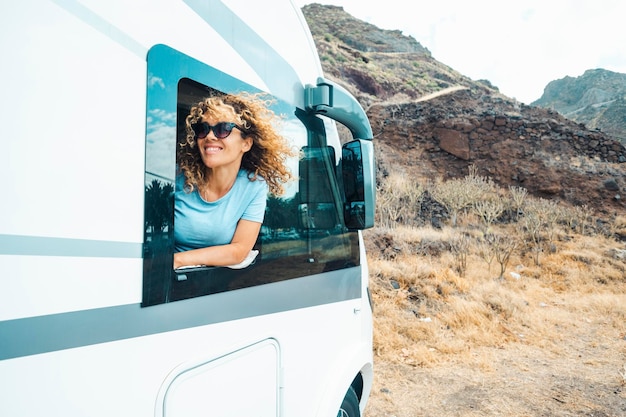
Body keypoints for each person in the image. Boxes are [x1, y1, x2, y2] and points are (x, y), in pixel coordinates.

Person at [173, 92, 295, 269]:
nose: (210, 136)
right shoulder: (177, 176)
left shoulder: (254, 186)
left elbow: (239, 250)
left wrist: (177, 260)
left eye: (223, 129)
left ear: (246, 143)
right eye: (203, 129)